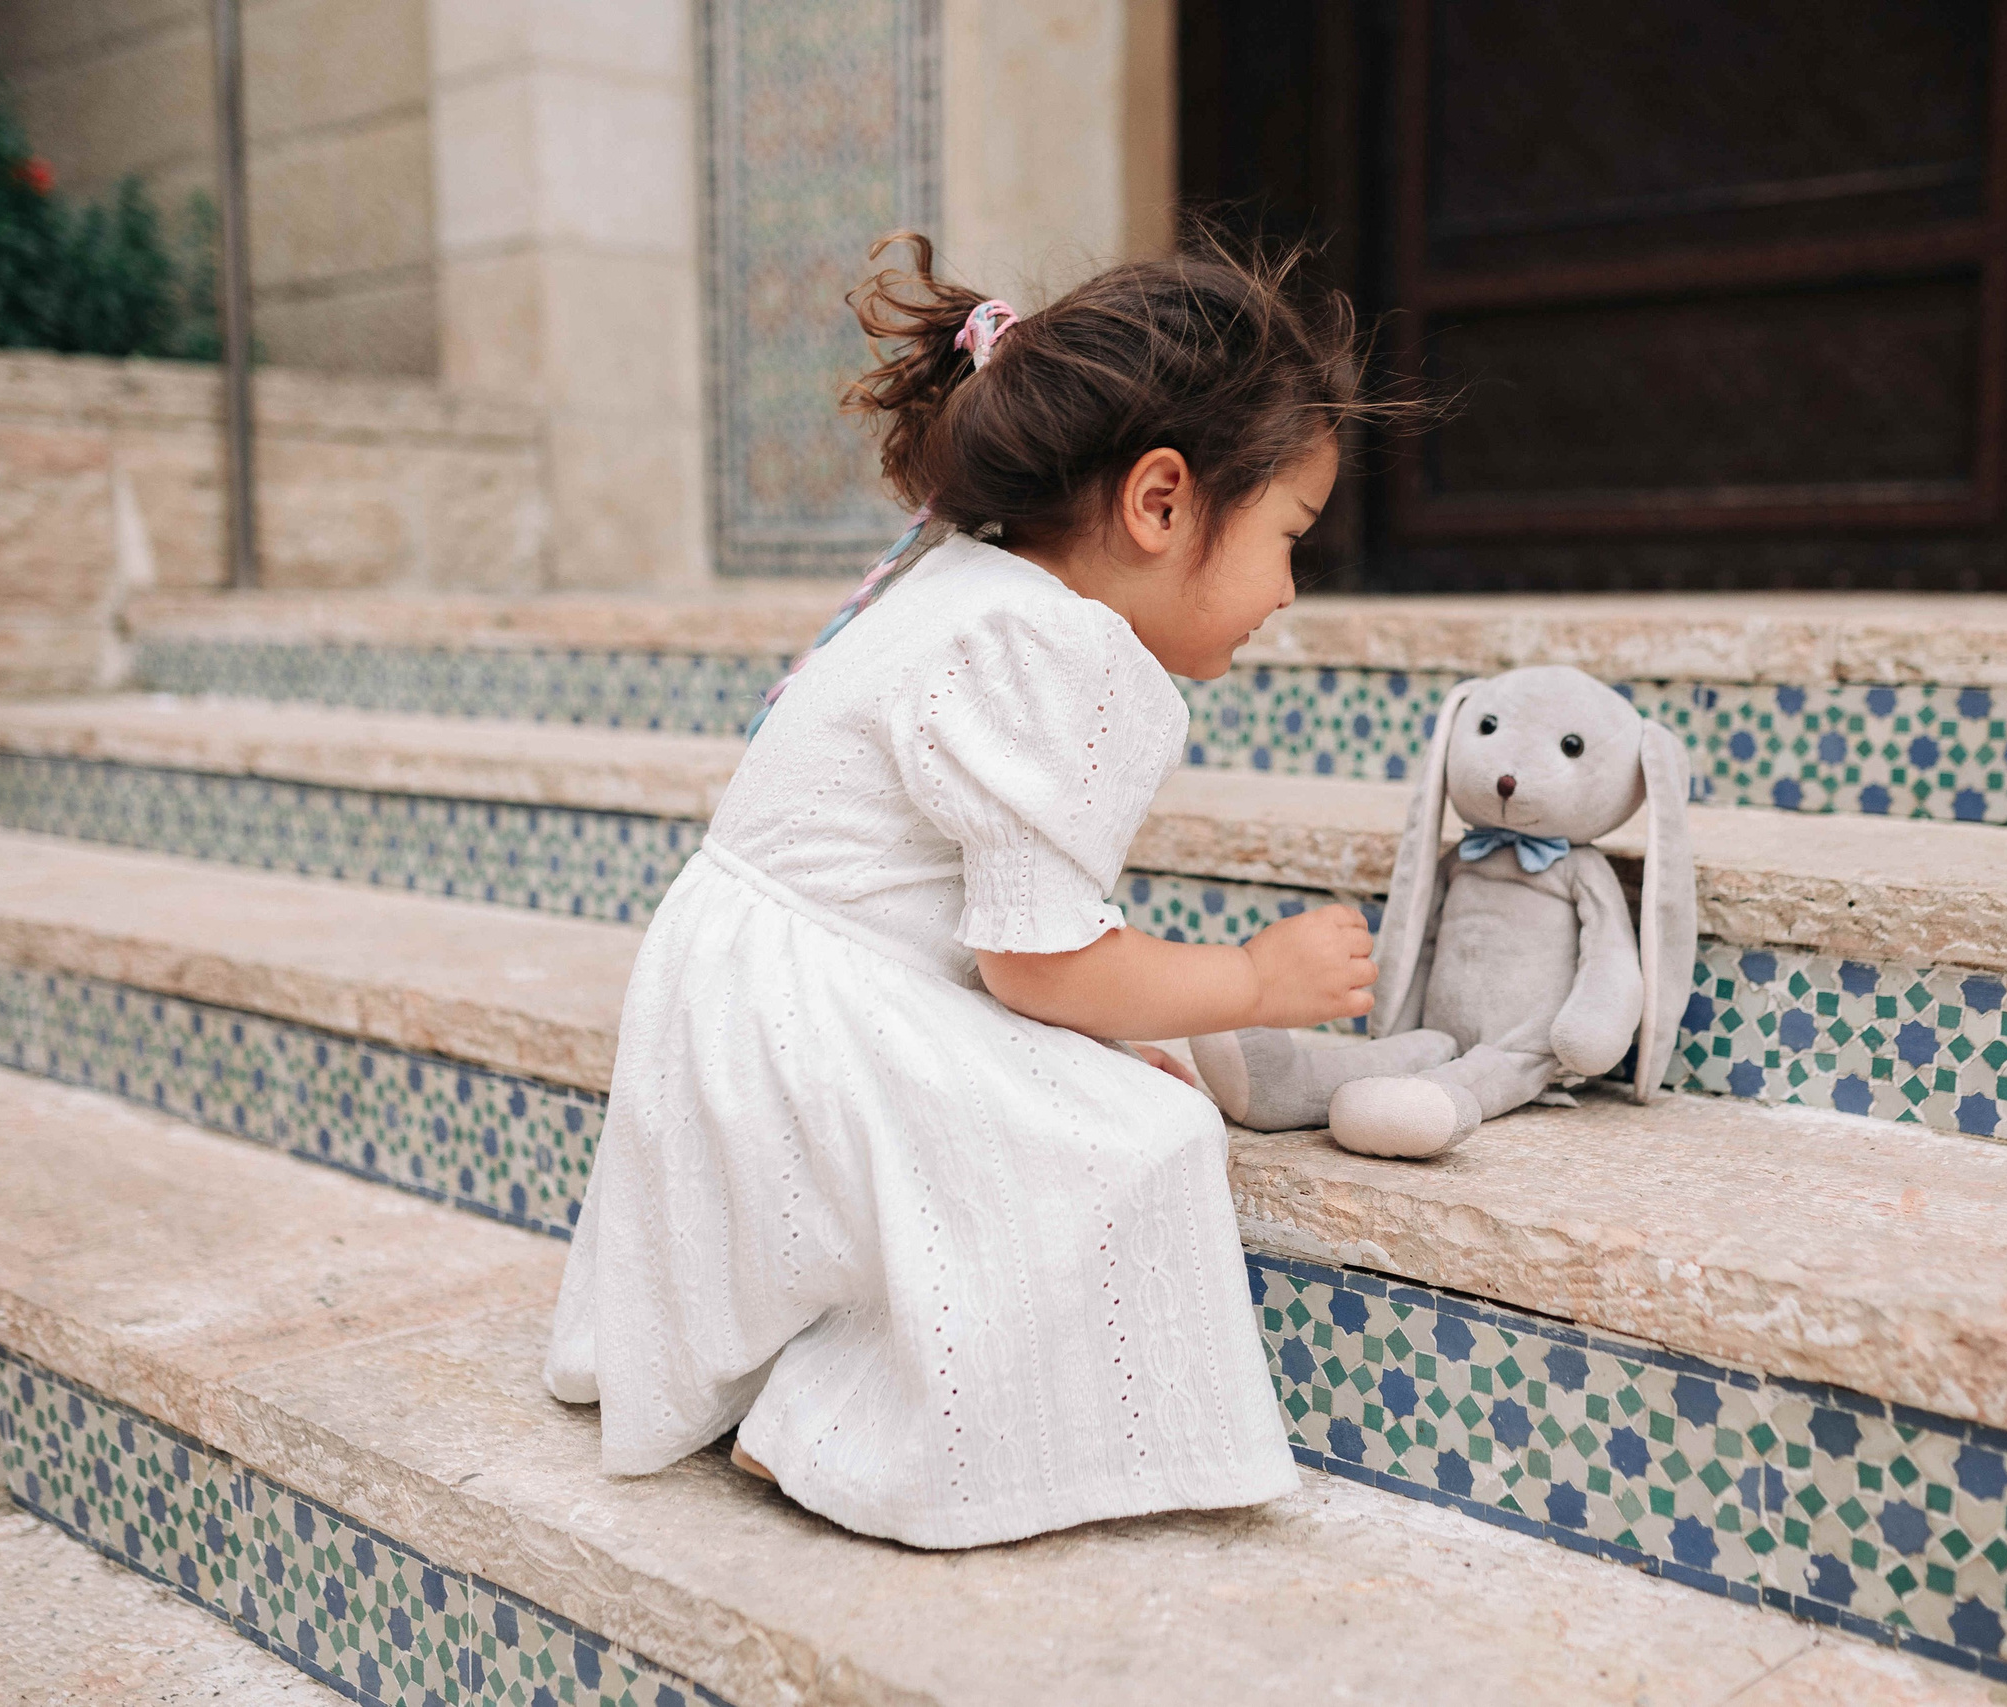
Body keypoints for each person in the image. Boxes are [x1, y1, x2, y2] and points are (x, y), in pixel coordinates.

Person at [544, 230, 1403, 1549]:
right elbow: (1042, 969)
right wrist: (1253, 979)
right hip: (810, 1032)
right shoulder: (1055, 652)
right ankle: (852, 1429)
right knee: (1140, 1141)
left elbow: (1013, 937)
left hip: (749, 995)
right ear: (1160, 501)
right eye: (1289, 534)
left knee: (1125, 1069)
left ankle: (829, 1362)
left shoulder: (976, 586)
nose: (1291, 589)